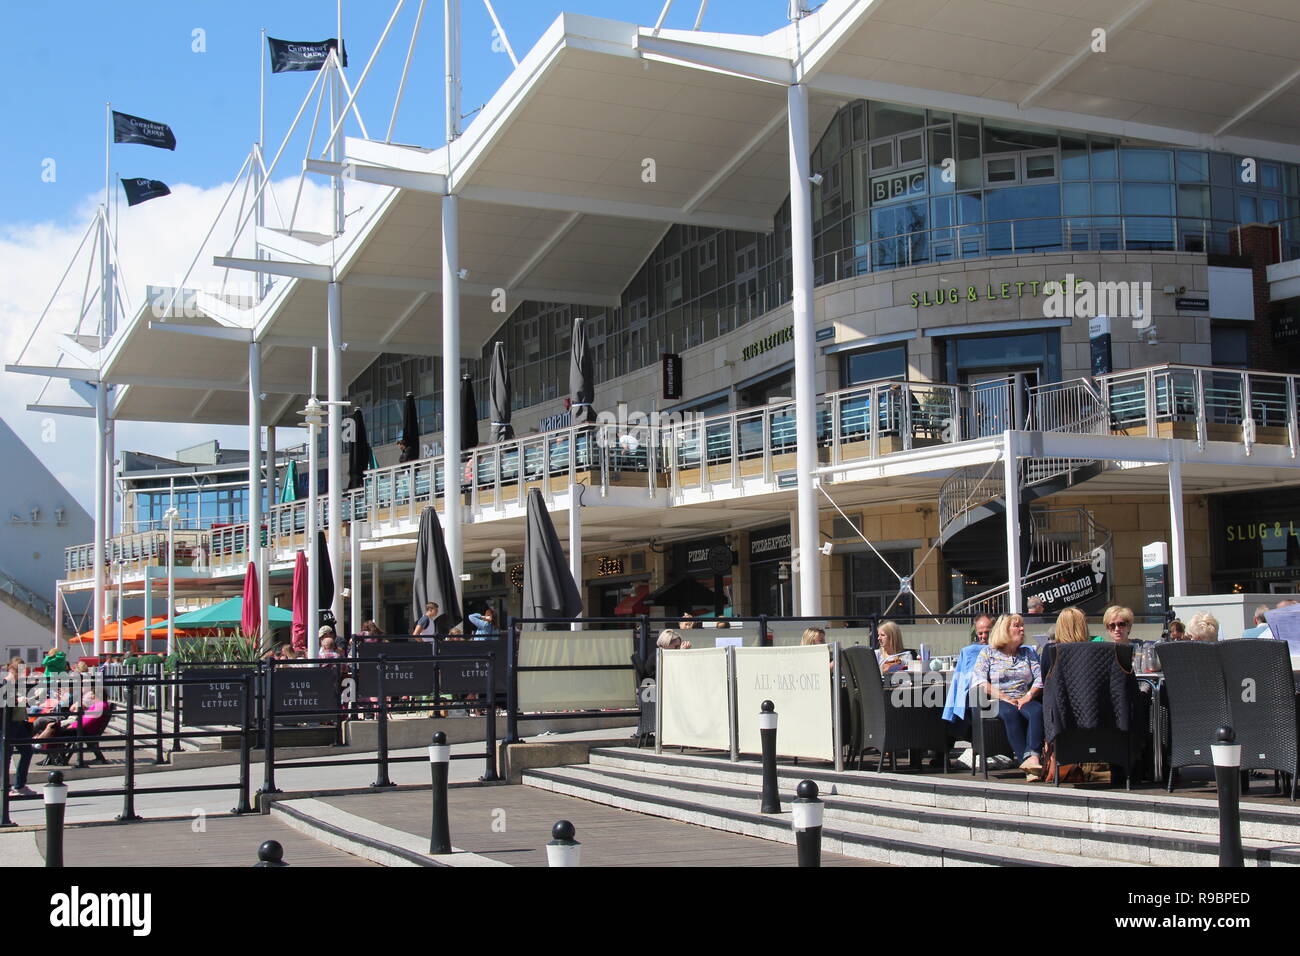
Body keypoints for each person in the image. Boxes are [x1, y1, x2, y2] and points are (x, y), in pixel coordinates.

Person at [973, 613, 1044, 778]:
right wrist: (1005, 698)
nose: (1022, 629)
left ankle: (1033, 758)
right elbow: (980, 682)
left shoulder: (1028, 652)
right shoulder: (988, 653)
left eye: (1022, 625)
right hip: (998, 699)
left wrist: (1028, 696)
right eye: (1017, 625)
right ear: (1004, 630)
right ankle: (1024, 762)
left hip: (1024, 697)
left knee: (1037, 711)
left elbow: (1040, 678)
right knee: (1010, 713)